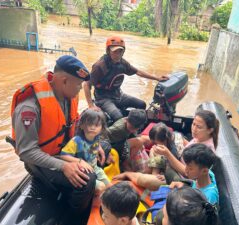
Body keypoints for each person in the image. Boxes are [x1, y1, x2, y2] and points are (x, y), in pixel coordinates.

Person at [11, 55, 97, 213]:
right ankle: (73, 215)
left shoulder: (67, 96)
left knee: (101, 145)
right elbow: (27, 152)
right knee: (87, 180)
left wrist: (90, 143)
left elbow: (70, 126)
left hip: (63, 152)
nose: (80, 89)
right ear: (64, 81)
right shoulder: (29, 108)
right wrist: (64, 166)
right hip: (43, 159)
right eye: (78, 85)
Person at [83, 36, 169, 122]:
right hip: (103, 99)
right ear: (108, 51)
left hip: (118, 95)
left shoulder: (122, 63)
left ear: (123, 52)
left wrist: (157, 78)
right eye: (114, 51)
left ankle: (137, 128)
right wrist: (91, 105)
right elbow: (86, 84)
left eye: (120, 51)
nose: (117, 54)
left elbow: (138, 72)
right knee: (118, 117)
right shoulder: (100, 66)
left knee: (141, 104)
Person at [60, 109, 110, 207]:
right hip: (83, 170)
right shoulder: (76, 141)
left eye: (96, 125)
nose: (92, 127)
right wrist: (80, 161)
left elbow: (93, 148)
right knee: (101, 187)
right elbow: (63, 155)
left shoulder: (96, 138)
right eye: (89, 124)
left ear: (101, 128)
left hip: (95, 168)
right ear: (82, 125)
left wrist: (99, 150)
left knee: (109, 186)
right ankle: (94, 208)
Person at [153, 109, 219, 177]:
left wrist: (167, 154)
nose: (194, 129)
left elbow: (187, 173)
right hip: (179, 161)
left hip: (180, 177)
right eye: (193, 124)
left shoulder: (205, 151)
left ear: (210, 130)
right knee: (156, 148)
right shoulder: (200, 137)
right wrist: (181, 140)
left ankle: (154, 175)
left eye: (199, 127)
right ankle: (154, 173)